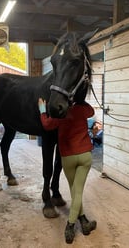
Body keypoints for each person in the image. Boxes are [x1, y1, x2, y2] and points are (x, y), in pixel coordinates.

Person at [38, 98, 97, 244]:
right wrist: (81, 101)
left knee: (74, 191)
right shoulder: (82, 109)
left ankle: (71, 224)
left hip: (68, 157)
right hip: (85, 156)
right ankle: (83, 223)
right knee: (76, 192)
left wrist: (42, 110)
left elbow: (46, 125)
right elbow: (92, 111)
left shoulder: (61, 113)